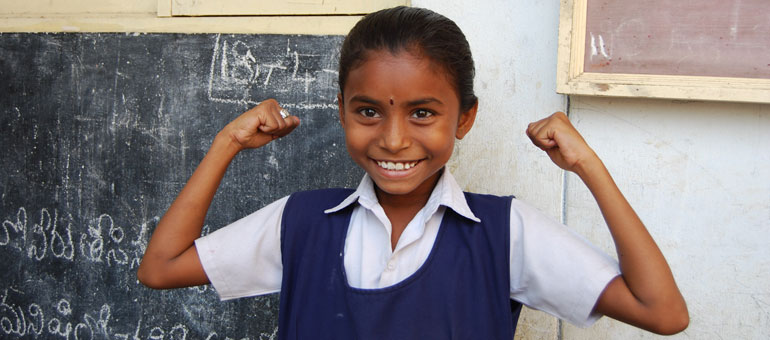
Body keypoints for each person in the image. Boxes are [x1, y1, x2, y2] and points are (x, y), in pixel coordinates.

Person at [137, 6, 688, 339]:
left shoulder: (504, 233)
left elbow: (661, 312)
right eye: (368, 110)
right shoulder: (300, 223)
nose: (394, 138)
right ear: (342, 111)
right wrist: (226, 144)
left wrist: (588, 167)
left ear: (465, 119)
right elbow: (159, 269)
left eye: (423, 112)